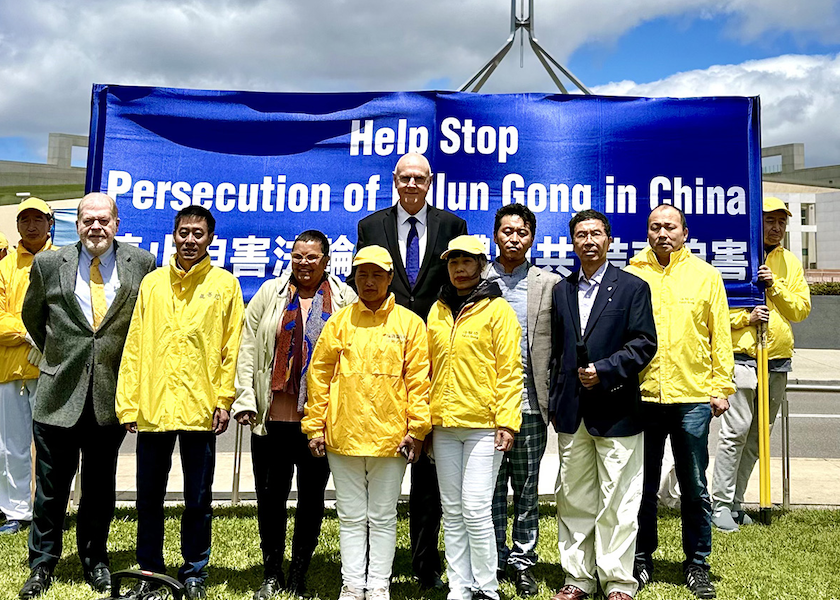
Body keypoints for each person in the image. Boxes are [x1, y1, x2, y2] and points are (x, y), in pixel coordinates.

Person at [19, 193, 156, 598]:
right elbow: (34, 316)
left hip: (109, 398)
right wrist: (61, 358)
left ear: (116, 222)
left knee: (99, 489)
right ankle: (42, 564)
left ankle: (95, 559)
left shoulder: (142, 264)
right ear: (76, 224)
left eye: (103, 220)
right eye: (87, 220)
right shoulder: (49, 264)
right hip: (58, 395)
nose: (95, 227)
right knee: (50, 488)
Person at [116, 205, 244, 600]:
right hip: (154, 407)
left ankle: (194, 572)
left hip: (200, 409)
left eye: (198, 234)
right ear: (173, 235)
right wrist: (128, 401)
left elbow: (231, 347)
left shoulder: (225, 285)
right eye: (184, 232)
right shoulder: (153, 283)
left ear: (211, 238)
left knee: (198, 499)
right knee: (148, 497)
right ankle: (149, 570)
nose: (190, 240)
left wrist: (224, 399)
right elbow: (135, 344)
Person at [354, 152, 467, 589]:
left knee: (429, 474)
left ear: (431, 182)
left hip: (434, 362)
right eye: (405, 178)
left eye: (420, 178)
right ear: (394, 180)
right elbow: (363, 284)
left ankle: (424, 565)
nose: (412, 185)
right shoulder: (371, 226)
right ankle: (366, 564)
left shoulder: (451, 227)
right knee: (375, 465)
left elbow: (457, 287)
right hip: (381, 360)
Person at [302, 245, 431, 600]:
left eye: (377, 275)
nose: (369, 282)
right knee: (351, 515)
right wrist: (316, 426)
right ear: (354, 278)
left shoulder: (409, 324)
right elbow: (319, 377)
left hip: (391, 439)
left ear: (390, 279)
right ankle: (352, 584)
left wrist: (416, 429)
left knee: (384, 516)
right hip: (343, 435)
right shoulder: (340, 322)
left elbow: (419, 381)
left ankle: (377, 585)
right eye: (363, 274)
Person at [233, 230, 356, 599]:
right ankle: (272, 571)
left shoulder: (344, 298)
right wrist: (245, 399)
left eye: (312, 257)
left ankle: (300, 571)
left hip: (318, 419)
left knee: (312, 498)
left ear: (327, 260)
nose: (304, 263)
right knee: (271, 497)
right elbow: (248, 345)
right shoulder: (271, 294)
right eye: (298, 256)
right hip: (273, 418)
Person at [626, 204, 734, 600]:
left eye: (670, 226)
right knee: (643, 486)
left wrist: (720, 386)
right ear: (647, 233)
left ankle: (697, 563)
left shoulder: (706, 276)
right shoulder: (633, 274)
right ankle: (640, 559)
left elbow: (719, 335)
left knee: (694, 486)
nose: (662, 233)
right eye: (655, 227)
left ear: (685, 232)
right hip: (645, 397)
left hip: (692, 398)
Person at [548, 210, 657, 600]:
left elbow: (645, 343)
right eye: (580, 235)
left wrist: (607, 370)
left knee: (619, 499)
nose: (588, 241)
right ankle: (578, 578)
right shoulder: (561, 290)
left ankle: (617, 581)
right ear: (572, 243)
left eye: (595, 234)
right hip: (571, 412)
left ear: (609, 240)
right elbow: (557, 352)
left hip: (617, 409)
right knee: (573, 497)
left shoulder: (631, 288)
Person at [427, 235, 522, 600]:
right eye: (453, 263)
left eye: (467, 262)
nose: (460, 270)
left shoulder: (497, 311)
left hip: (485, 426)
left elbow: (511, 371)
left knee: (477, 508)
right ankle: (459, 585)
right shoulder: (437, 310)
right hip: (444, 425)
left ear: (482, 266)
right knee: (452, 511)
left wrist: (506, 421)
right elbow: (426, 368)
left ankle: (487, 586)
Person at [711, 197, 811, 532]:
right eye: (770, 220)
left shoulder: (789, 262)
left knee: (757, 439)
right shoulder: (735, 255)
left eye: (782, 222)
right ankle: (719, 503)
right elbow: (714, 312)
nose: (777, 227)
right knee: (735, 432)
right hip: (743, 357)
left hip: (778, 360)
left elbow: (800, 310)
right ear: (757, 221)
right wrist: (745, 319)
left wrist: (776, 286)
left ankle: (735, 503)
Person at [486, 204, 560, 596]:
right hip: (486, 407)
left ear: (532, 237)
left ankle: (523, 561)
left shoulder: (549, 283)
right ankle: (494, 557)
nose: (514, 238)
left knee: (527, 489)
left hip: (531, 405)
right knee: (492, 488)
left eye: (522, 232)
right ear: (495, 235)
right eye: (507, 231)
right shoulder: (478, 278)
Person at [0, 198, 54, 540]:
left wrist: (46, 338)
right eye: (25, 220)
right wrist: (27, 333)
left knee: (50, 446)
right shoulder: (5, 267)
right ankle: (16, 510)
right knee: (12, 445)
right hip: (10, 370)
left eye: (38, 219)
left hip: (50, 368)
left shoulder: (62, 260)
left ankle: (48, 509)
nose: (31, 226)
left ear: (50, 223)